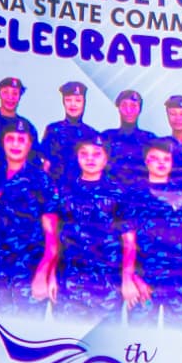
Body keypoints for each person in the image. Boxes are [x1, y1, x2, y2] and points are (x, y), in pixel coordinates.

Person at [119, 139, 182, 325]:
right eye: (155, 158)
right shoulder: (134, 195)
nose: (161, 163)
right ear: (146, 162)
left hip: (180, 280)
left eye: (166, 159)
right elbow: (128, 242)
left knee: (181, 341)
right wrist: (130, 279)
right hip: (144, 281)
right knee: (140, 340)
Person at [0, 119, 59, 310]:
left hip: (29, 272)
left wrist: (43, 272)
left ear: (30, 144)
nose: (15, 144)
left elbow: (52, 234)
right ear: (3, 142)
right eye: (10, 139)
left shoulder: (41, 180)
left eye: (22, 140)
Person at [52, 137, 129, 320]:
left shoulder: (118, 192)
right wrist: (51, 274)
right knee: (66, 342)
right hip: (70, 282)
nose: (90, 159)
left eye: (97, 154)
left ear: (106, 159)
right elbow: (55, 237)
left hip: (107, 283)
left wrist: (127, 280)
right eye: (84, 154)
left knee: (105, 342)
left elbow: (129, 242)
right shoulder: (65, 191)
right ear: (77, 158)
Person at [39, 80, 97, 181]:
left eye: (78, 100)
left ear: (84, 103)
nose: (73, 104)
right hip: (55, 189)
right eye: (68, 100)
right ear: (63, 102)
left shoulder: (91, 134)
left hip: (81, 190)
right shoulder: (53, 130)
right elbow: (46, 165)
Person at [100, 91, 150, 187]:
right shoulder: (106, 137)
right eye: (124, 105)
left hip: (139, 194)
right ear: (118, 108)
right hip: (111, 192)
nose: (129, 110)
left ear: (140, 109)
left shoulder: (149, 140)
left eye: (133, 106)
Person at [0, 77, 35, 160]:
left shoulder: (27, 126)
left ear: (19, 96)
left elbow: (34, 159)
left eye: (15, 93)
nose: (10, 98)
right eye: (5, 93)